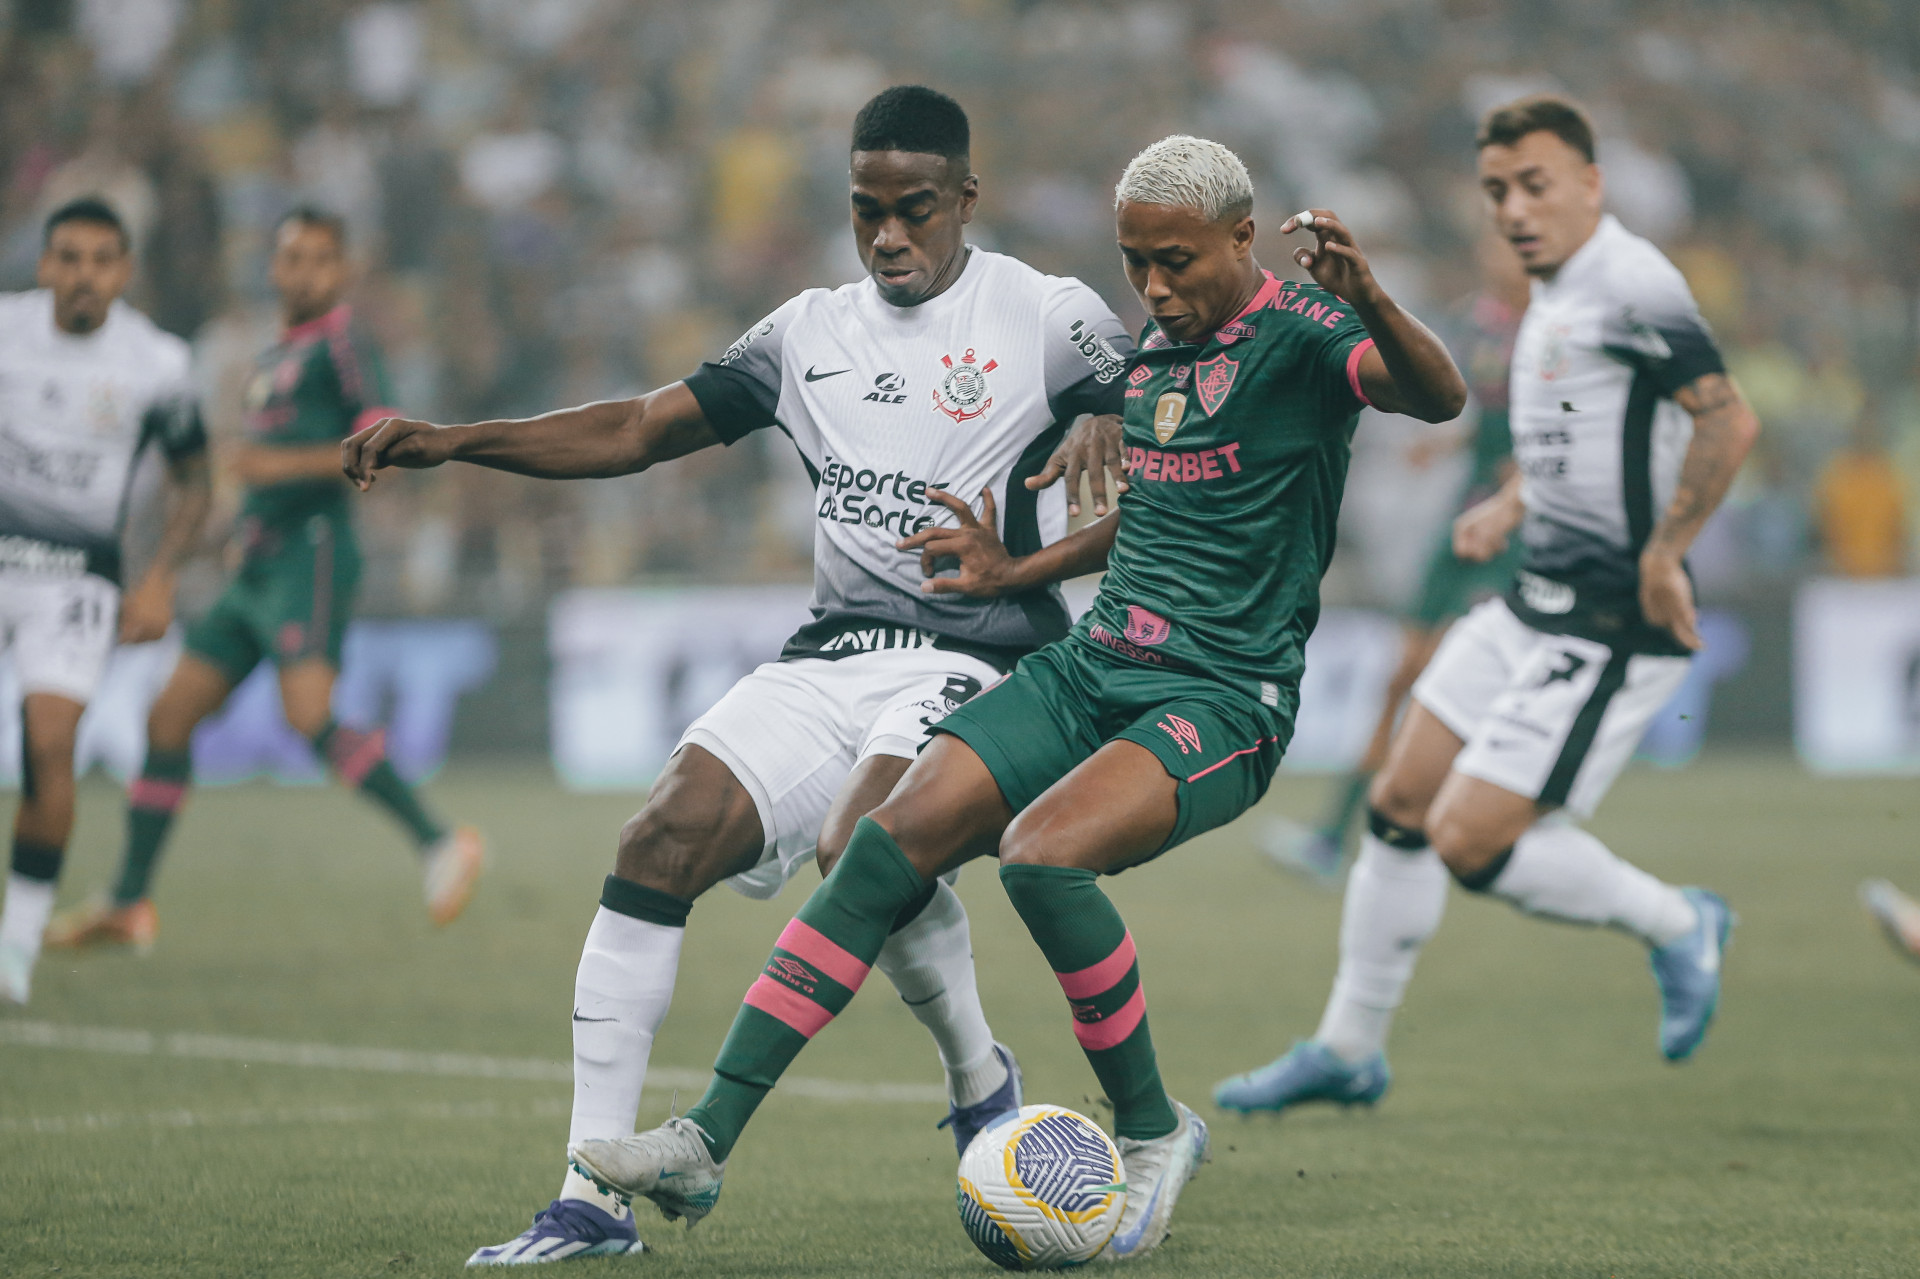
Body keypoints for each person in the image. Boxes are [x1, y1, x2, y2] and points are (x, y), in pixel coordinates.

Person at [562, 134, 1466, 1262]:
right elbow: (1155, 508)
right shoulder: (1161, 341)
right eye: (1136, 262)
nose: (1154, 287)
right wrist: (1015, 573)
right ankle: (706, 1135)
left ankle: (1150, 1130)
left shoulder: (1308, 334)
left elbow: (1438, 396)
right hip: (1094, 668)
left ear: (1245, 237)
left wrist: (1371, 295)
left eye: (1176, 261)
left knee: (1042, 854)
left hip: (1224, 698)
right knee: (884, 846)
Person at [340, 86, 1136, 1266]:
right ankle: (588, 1199)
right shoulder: (805, 331)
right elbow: (636, 429)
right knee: (658, 837)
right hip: (833, 652)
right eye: (866, 211)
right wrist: (459, 439)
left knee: (861, 839)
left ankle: (975, 1081)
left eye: (914, 211)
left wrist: (1114, 414)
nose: (887, 237)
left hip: (981, 654)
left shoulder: (1047, 316)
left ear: (967, 199)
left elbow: (1173, 394)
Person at [1214, 95, 1761, 1117]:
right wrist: (1511, 501)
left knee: (1475, 841)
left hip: (1607, 621)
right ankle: (1348, 1047)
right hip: (1527, 599)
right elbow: (1585, 434)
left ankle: (1680, 921)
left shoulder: (1633, 282)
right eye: (1499, 189)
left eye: (1537, 184)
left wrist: (1666, 553)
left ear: (1592, 185)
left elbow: (1725, 420)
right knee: (1401, 799)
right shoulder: (1552, 297)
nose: (1514, 207)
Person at [47, 207, 483, 953]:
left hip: (310, 552)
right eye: (292, 257)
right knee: (168, 718)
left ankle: (441, 842)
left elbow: (382, 443)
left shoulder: (342, 342)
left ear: (340, 270)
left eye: (320, 258)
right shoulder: (273, 353)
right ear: (273, 267)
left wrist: (278, 467)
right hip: (254, 559)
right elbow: (251, 469)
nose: (304, 270)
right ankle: (127, 902)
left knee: (308, 715)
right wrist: (232, 523)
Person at [0, 198, 211, 1005]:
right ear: (44, 264)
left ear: (124, 271)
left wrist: (159, 576)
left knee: (50, 744)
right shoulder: (7, 332)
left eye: (100, 259)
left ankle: (15, 951)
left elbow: (197, 483)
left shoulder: (157, 362)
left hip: (74, 581)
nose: (82, 274)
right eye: (68, 257)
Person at [1268, 230, 1529, 883]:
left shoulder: (1558, 330)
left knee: (1471, 680)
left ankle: (1493, 824)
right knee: (1400, 675)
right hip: (1466, 518)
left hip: (1522, 526)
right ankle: (1333, 835)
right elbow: (1466, 404)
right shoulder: (1478, 321)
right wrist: (1443, 447)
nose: (1494, 251)